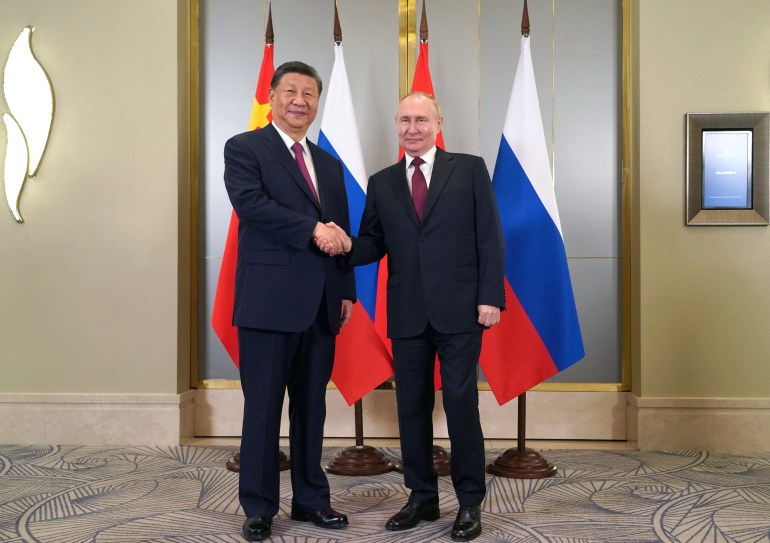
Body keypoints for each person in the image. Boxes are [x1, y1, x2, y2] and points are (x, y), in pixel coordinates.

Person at [321, 91, 505, 541]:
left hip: (462, 310)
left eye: (421, 119)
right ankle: (421, 497)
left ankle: (468, 503)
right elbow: (373, 242)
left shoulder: (469, 168)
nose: (412, 128)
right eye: (404, 120)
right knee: (412, 409)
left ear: (438, 122)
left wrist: (490, 297)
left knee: (462, 406)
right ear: (396, 125)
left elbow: (489, 237)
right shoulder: (382, 182)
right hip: (406, 313)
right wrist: (345, 245)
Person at [223, 60, 355, 542]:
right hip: (267, 303)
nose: (300, 101)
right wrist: (310, 229)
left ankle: (310, 501)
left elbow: (339, 231)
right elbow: (251, 206)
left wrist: (345, 291)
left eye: (309, 94)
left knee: (311, 409)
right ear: (273, 97)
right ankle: (258, 507)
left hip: (322, 304)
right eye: (291, 91)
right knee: (261, 408)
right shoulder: (244, 148)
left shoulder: (329, 163)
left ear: (317, 103)